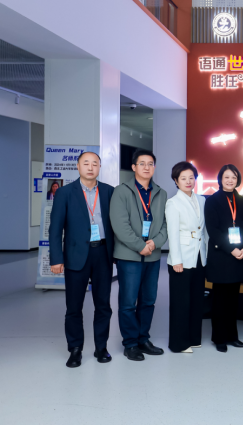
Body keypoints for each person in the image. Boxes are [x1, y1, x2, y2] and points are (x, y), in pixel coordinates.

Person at [48, 152, 115, 368]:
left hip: (103, 253)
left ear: (99, 167)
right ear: (78, 166)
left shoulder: (109, 191)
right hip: (76, 255)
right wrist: (56, 258)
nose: (90, 167)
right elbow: (55, 229)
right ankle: (75, 349)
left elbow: (116, 225)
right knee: (74, 306)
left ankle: (101, 347)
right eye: (86, 163)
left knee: (103, 304)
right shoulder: (65, 193)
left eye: (95, 163)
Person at [110, 149, 168, 362]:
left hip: (152, 255)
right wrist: (139, 245)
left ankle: (143, 339)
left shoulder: (161, 193)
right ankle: (130, 344)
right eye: (142, 163)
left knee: (148, 301)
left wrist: (155, 243)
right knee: (128, 302)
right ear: (133, 167)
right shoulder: (121, 191)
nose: (146, 167)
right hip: (129, 256)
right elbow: (120, 225)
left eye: (150, 163)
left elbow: (165, 224)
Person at [205, 164, 243, 353]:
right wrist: (232, 250)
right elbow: (213, 230)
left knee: (233, 299)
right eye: (226, 177)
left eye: (233, 177)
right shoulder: (212, 201)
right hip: (222, 256)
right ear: (220, 179)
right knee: (220, 300)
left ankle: (232, 336)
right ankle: (219, 338)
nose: (230, 180)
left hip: (239, 256)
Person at [165, 162, 207, 354]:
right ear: (176, 181)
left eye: (191, 177)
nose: (188, 181)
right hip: (181, 257)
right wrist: (176, 260)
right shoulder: (173, 203)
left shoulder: (202, 200)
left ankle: (194, 338)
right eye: (183, 178)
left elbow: (204, 230)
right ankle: (179, 343)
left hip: (199, 255)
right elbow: (172, 234)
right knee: (180, 302)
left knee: (197, 300)